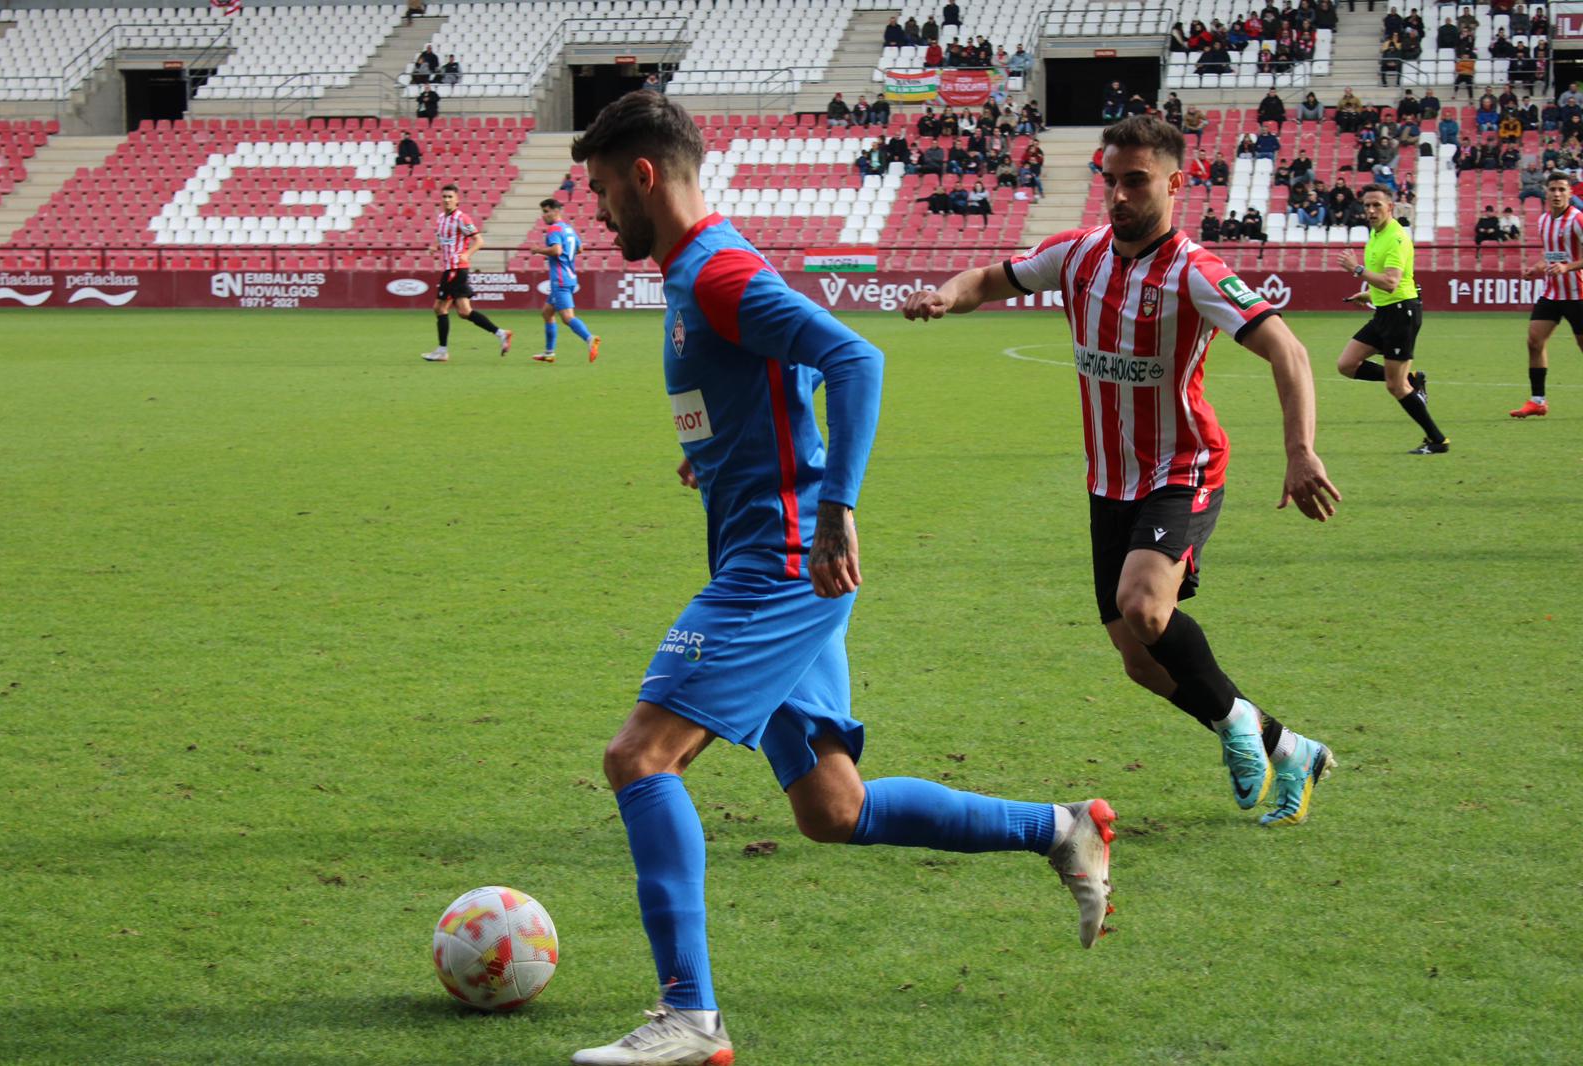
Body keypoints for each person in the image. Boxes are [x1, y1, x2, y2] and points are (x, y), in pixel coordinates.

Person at [566, 89, 1118, 1066]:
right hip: (776, 552)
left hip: (778, 565)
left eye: (604, 190)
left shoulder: (719, 270)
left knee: (638, 757)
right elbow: (783, 386)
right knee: (834, 809)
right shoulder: (699, 276)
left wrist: (833, 506)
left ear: (644, 177)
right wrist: (728, 454)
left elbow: (850, 356)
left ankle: (689, 1017)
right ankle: (1060, 828)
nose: (599, 212)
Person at [901, 115, 1340, 830]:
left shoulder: (1196, 273)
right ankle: (1287, 746)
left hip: (1183, 465)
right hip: (1109, 482)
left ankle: (1233, 725)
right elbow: (987, 276)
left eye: (1135, 181)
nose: (1119, 196)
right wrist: (948, 295)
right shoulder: (1078, 256)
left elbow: (1287, 352)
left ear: (1175, 183)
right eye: (1110, 180)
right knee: (1140, 660)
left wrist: (1299, 451)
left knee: (1144, 605)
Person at [1334, 184, 1447, 454]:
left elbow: (1392, 282)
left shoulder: (1396, 237)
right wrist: (1367, 293)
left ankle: (1437, 440)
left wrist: (1357, 270)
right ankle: (1413, 379)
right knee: (1347, 364)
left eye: (1377, 205)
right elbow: (1383, 281)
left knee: (1395, 386)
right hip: (1384, 312)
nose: (1371, 211)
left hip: (1401, 314)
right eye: (1367, 206)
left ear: (1390, 207)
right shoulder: (1375, 234)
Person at [1513, 172, 1583, 417]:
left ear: (1570, 193)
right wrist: (1537, 268)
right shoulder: (1543, 221)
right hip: (1552, 293)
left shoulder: (1577, 220)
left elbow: (1570, 259)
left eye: (1561, 189)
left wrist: (1568, 267)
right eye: (1552, 189)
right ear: (1546, 192)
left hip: (1578, 294)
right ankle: (1538, 401)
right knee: (1534, 341)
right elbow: (1552, 255)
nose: (1556, 194)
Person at [421, 183, 512, 363]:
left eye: (450, 197)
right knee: (464, 311)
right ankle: (501, 333)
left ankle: (442, 351)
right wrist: (435, 246)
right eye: (444, 197)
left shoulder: (462, 218)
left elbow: (479, 241)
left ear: (457, 199)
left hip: (456, 269)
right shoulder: (441, 218)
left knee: (439, 308)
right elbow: (443, 238)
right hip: (451, 268)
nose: (447, 200)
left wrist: (466, 254)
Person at [528, 198, 600, 364]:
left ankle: (590, 338)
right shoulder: (568, 228)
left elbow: (556, 250)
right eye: (543, 212)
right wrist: (568, 257)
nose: (543, 216)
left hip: (560, 278)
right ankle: (549, 352)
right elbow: (580, 248)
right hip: (569, 275)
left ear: (556, 211)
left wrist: (538, 250)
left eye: (546, 212)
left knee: (567, 318)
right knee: (547, 312)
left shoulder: (554, 229)